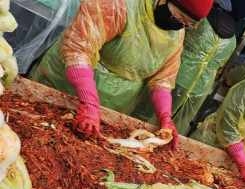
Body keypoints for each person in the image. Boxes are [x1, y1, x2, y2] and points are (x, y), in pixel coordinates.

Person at [30, 0, 215, 150]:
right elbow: (78, 50)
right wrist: (89, 101)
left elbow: (163, 79)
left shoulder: (176, 34)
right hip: (65, 84)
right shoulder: (120, 5)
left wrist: (165, 117)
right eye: (179, 17)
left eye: (186, 24)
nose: (180, 25)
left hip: (115, 102)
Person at [133, 5, 237, 135]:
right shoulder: (232, 41)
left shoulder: (199, 21)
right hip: (200, 87)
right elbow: (221, 65)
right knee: (177, 124)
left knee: (146, 115)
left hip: (176, 74)